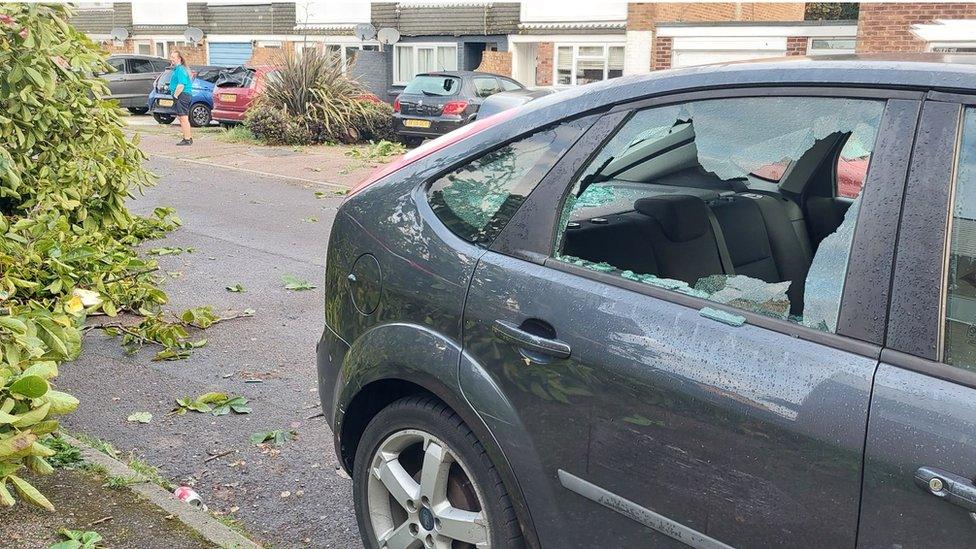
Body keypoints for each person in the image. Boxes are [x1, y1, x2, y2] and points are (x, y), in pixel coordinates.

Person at [169, 51, 193, 146]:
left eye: (173, 57)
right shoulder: (179, 69)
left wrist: (175, 95)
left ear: (179, 59)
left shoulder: (180, 69)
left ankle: (187, 139)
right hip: (182, 95)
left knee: (183, 117)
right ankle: (187, 137)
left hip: (182, 95)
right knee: (181, 117)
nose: (171, 59)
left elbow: (181, 84)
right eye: (171, 57)